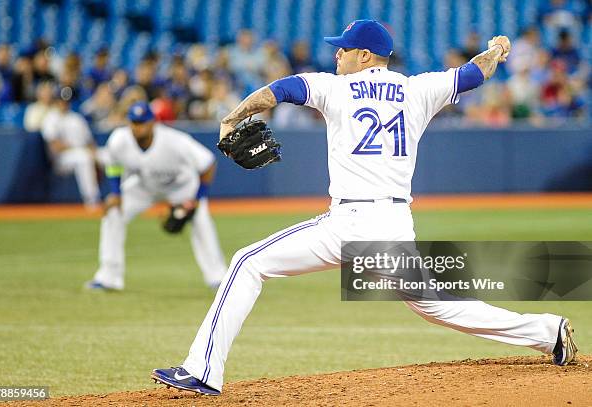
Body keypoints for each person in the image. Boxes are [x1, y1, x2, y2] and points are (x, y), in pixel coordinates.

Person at [151, 20, 577, 396]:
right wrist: (498, 50)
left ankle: (203, 370)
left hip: (348, 222)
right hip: (392, 223)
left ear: (365, 55)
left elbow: (277, 91)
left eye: (344, 48)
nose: (337, 53)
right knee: (436, 305)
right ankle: (545, 331)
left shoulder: (334, 87)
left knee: (247, 262)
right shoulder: (417, 88)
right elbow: (474, 73)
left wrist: (231, 117)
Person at [85, 102, 227, 291]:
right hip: (144, 186)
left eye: (142, 122)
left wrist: (196, 199)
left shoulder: (175, 141)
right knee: (113, 212)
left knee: (201, 223)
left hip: (181, 187)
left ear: (153, 122)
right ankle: (108, 278)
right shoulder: (119, 139)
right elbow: (113, 163)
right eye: (134, 122)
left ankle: (218, 278)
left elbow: (208, 164)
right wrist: (115, 193)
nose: (138, 127)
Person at [41, 86, 101, 208]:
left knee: (109, 156)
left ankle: (118, 196)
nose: (64, 103)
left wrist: (95, 155)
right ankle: (92, 200)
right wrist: (82, 150)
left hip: (82, 152)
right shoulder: (51, 118)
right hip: (61, 160)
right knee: (83, 158)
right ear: (56, 100)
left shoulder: (77, 118)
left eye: (66, 100)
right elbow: (54, 146)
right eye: (61, 100)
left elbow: (90, 142)